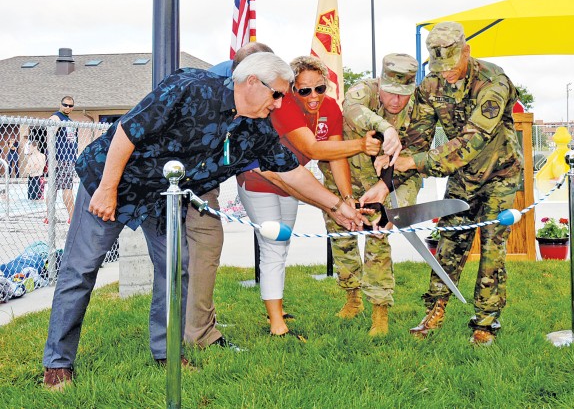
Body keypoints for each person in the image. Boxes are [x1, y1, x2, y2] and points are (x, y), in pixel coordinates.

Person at [42, 52, 366, 391]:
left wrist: (335, 206)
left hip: (162, 197)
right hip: (113, 180)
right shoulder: (191, 87)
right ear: (252, 82)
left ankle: (166, 352)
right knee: (80, 270)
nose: (281, 103)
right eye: (278, 94)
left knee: (175, 268)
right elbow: (128, 130)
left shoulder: (254, 127)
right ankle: (58, 365)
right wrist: (107, 189)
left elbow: (289, 173)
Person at [392, 21, 523, 346]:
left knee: (493, 248)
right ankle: (435, 309)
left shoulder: (493, 82)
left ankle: (486, 323)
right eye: (439, 67)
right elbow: (419, 136)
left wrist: (417, 162)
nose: (446, 74)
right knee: (450, 243)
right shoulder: (432, 85)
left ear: (466, 52)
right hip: (462, 178)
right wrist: (397, 163)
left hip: (500, 175)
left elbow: (471, 141)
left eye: (451, 66)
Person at [236, 55, 382, 338]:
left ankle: (276, 306)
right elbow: (313, 149)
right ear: (293, 89)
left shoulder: (329, 107)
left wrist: (347, 196)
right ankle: (277, 324)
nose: (313, 96)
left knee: (283, 244)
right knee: (273, 247)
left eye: (319, 88)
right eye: (304, 90)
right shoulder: (284, 105)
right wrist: (362, 145)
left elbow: (336, 154)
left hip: (294, 180)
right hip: (261, 180)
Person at [331, 53, 431, 336]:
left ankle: (380, 311)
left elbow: (414, 156)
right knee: (342, 237)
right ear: (381, 82)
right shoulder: (362, 92)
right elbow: (351, 109)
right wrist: (386, 129)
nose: (397, 102)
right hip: (346, 175)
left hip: (390, 179)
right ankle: (352, 297)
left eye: (404, 94)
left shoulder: (419, 109)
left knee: (378, 234)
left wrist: (388, 187)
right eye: (391, 93)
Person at [184, 41, 274, 350]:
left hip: (203, 178)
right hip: (173, 179)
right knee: (187, 252)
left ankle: (200, 327)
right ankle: (194, 331)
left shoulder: (257, 90)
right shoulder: (208, 87)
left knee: (206, 246)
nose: (274, 100)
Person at [47, 96, 78, 223]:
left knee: (54, 188)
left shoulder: (68, 120)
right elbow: (50, 136)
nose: (67, 107)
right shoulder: (56, 117)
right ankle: (73, 217)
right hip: (62, 158)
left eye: (70, 106)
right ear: (60, 104)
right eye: (65, 105)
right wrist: (52, 157)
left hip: (68, 158)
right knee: (66, 188)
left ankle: (50, 217)